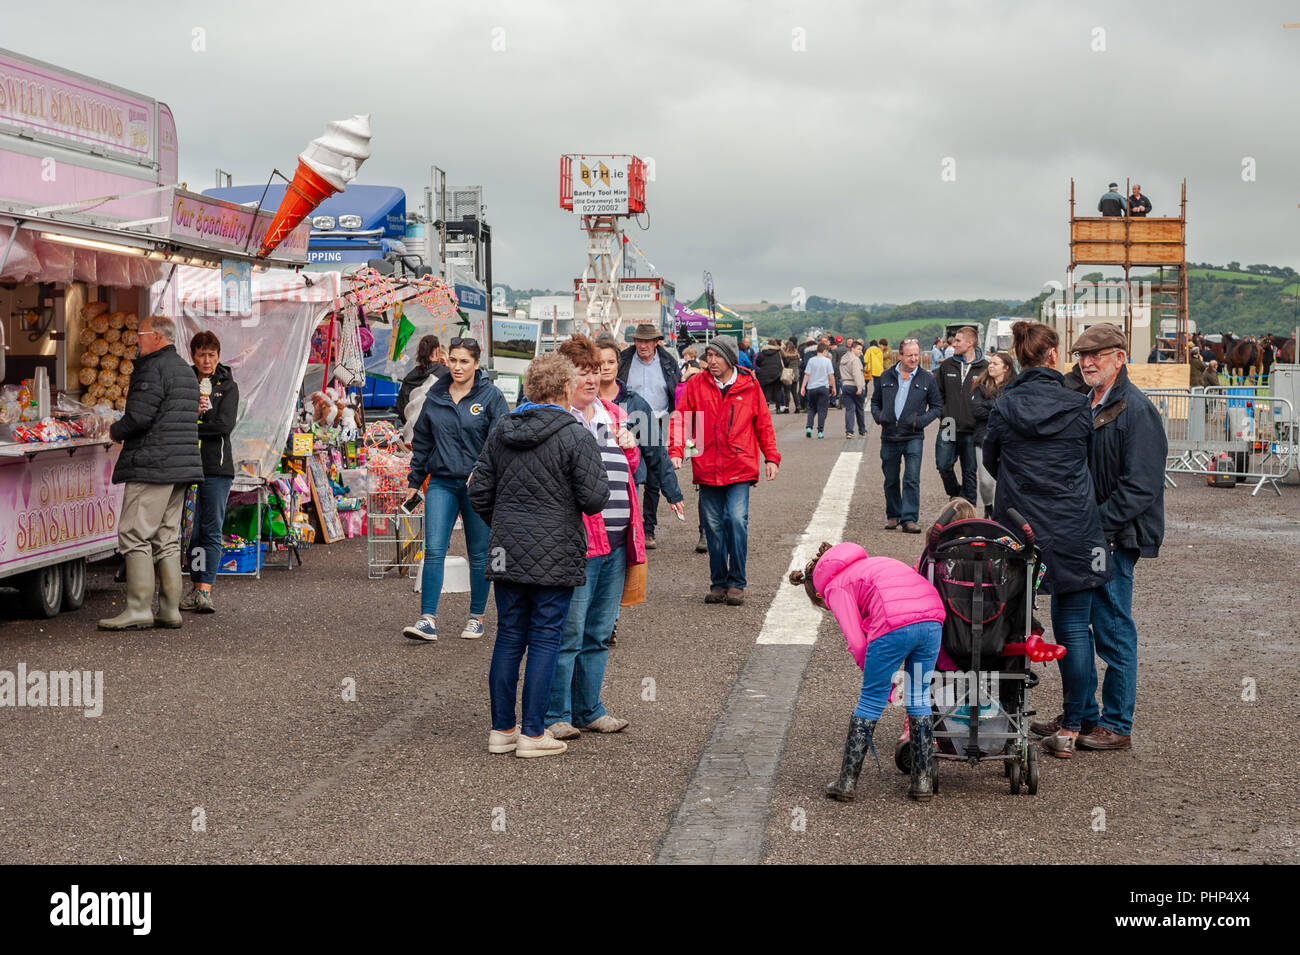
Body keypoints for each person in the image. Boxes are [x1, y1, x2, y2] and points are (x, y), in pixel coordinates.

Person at [469, 352, 609, 758]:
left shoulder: (501, 430)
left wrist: (505, 521)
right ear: (566, 389)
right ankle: (533, 732)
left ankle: (502, 730)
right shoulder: (575, 434)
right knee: (546, 636)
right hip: (556, 549)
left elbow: (478, 489)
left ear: (530, 389)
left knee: (509, 635)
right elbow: (595, 498)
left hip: (504, 548)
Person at [982, 321, 1111, 759]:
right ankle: (1074, 723)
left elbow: (991, 459)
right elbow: (1088, 460)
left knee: (1010, 620)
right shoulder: (1078, 405)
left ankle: (1006, 715)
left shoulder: (1005, 404)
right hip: (1073, 524)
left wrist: (1021, 485)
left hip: (1019, 526)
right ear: (1054, 355)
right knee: (1074, 628)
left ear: (1019, 357)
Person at [1041, 323, 1166, 752]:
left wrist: (1096, 522)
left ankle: (1116, 722)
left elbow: (1142, 485)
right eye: (1081, 356)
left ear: (1121, 356)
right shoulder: (1084, 400)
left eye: (1098, 355)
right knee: (1075, 628)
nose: (1087, 362)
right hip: (1082, 535)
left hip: (1114, 537)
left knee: (1112, 628)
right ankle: (1083, 714)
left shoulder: (1136, 409)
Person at [544, 335, 646, 740]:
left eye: (594, 370)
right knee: (568, 632)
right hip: (580, 543)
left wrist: (632, 447)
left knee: (599, 632)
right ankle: (557, 712)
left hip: (620, 539)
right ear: (564, 378)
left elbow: (630, 471)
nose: (592, 378)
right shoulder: (560, 419)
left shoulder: (613, 413)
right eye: (581, 372)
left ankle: (589, 708)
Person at [789, 541, 946, 802]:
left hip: (894, 623)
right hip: (932, 619)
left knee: (871, 700)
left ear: (818, 595)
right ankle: (922, 781)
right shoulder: (871, 564)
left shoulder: (834, 588)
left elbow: (857, 641)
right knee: (918, 697)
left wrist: (876, 675)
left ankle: (847, 782)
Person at [99, 316, 204, 631]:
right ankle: (170, 609)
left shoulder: (152, 368)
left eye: (140, 335)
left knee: (133, 534)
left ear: (157, 337)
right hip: (180, 466)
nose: (136, 340)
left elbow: (139, 418)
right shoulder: (186, 370)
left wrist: (114, 430)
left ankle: (139, 607)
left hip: (152, 464)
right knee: (167, 538)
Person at [402, 337, 508, 643]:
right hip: (442, 483)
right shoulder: (435, 396)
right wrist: (413, 482)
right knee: (434, 549)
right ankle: (427, 620)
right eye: (454, 360)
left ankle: (476, 618)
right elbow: (422, 442)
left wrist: (484, 473)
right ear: (446, 361)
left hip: (478, 486)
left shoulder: (491, 397)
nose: (458, 367)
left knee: (478, 554)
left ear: (477, 363)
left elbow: (499, 441)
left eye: (465, 361)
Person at [669, 334, 780, 606]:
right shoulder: (696, 384)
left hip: (739, 466)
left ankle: (736, 582)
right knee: (713, 527)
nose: (712, 360)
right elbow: (681, 418)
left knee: (736, 520)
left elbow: (763, 423)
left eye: (717, 355)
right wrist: (676, 450)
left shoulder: (750, 385)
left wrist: (771, 457)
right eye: (709, 355)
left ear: (730, 358)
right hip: (706, 466)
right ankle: (718, 583)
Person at [596, 339, 685, 546]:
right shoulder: (583, 402)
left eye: (610, 362)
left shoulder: (635, 403)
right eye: (599, 363)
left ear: (619, 364)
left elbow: (656, 451)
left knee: (623, 543)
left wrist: (673, 493)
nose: (605, 367)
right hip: (591, 483)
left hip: (627, 484)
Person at [180, 331, 240, 614]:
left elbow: (224, 426)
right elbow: (176, 421)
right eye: (201, 355)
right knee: (192, 531)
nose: (206, 360)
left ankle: (206, 589)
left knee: (211, 529)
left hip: (216, 467)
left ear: (218, 356)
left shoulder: (227, 385)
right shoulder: (183, 381)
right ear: (193, 356)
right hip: (187, 465)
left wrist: (201, 418)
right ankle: (195, 585)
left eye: (211, 355)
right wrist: (193, 415)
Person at [618, 323, 681, 550]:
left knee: (655, 475)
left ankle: (648, 530)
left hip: (658, 420)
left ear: (656, 342)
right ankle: (626, 528)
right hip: (628, 420)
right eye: (639, 341)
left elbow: (676, 389)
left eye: (647, 341)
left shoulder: (668, 362)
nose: (642, 345)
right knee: (628, 473)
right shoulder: (623, 360)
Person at [871, 340, 942, 533]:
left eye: (916, 355)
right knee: (891, 478)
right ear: (900, 356)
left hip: (913, 437)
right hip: (889, 436)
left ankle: (909, 519)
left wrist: (919, 421)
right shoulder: (886, 376)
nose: (914, 359)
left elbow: (937, 407)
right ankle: (893, 515)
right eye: (909, 355)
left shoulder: (927, 378)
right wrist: (879, 417)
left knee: (911, 479)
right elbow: (875, 401)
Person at [934, 325, 988, 507]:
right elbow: (938, 393)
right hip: (949, 424)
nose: (953, 343)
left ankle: (970, 509)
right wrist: (944, 412)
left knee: (970, 472)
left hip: (973, 429)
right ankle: (956, 493)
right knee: (943, 464)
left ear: (970, 342)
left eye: (958, 340)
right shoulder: (948, 365)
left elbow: (990, 396)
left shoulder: (985, 368)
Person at [969, 350, 1016, 518]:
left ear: (1006, 367)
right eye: (990, 363)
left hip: (1009, 441)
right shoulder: (980, 385)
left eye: (995, 363)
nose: (990, 366)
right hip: (984, 438)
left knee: (1008, 481)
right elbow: (976, 410)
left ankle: (1007, 513)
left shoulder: (1016, 386)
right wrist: (999, 409)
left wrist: (990, 405)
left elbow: (1015, 411)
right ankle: (988, 506)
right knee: (986, 482)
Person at [395, 334, 449, 423]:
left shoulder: (410, 376)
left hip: (414, 428)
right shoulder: (446, 373)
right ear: (437, 351)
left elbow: (401, 407)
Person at [801, 341, 836, 438]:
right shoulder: (827, 361)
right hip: (823, 387)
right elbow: (831, 376)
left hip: (812, 388)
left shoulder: (811, 360)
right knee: (822, 410)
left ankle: (809, 427)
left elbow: (807, 374)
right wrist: (833, 387)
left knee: (812, 408)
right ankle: (820, 432)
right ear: (824, 351)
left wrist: (803, 387)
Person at [840, 340, 868, 437]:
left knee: (849, 409)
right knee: (859, 409)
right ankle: (862, 430)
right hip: (855, 385)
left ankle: (849, 431)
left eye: (861, 349)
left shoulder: (844, 359)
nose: (860, 351)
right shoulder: (855, 360)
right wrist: (860, 387)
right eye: (858, 349)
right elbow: (857, 374)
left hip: (845, 385)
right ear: (852, 349)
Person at [755, 337, 786, 411]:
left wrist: (763, 366)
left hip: (765, 373)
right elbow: (786, 361)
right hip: (777, 372)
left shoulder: (763, 352)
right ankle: (778, 407)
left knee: (768, 391)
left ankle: (765, 408)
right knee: (778, 390)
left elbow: (757, 362)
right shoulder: (779, 351)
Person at [779, 340, 801, 413]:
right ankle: (797, 407)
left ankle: (787, 408)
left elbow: (784, 364)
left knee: (787, 392)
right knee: (794, 392)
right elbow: (799, 364)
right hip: (795, 374)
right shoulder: (797, 355)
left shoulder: (785, 355)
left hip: (787, 374)